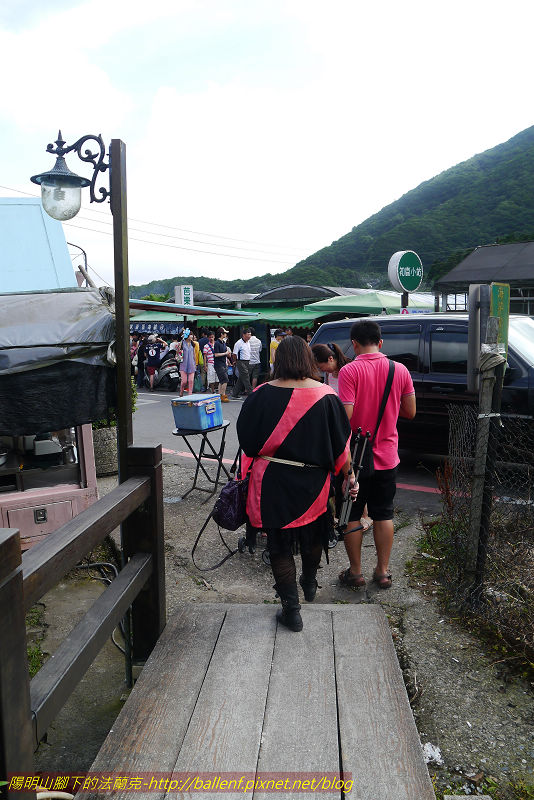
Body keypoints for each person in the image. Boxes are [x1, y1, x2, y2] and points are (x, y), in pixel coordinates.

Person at [236, 336, 356, 633]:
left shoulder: (260, 394)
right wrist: (350, 476)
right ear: (307, 359)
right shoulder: (327, 395)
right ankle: (310, 581)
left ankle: (291, 611)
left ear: (278, 361)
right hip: (314, 482)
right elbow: (341, 446)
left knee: (278, 545)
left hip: (271, 481)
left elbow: (247, 443)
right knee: (313, 535)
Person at [337, 320, 416, 590]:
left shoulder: (349, 371)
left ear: (354, 344)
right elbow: (410, 411)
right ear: (380, 342)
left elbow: (346, 416)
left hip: (355, 458)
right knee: (383, 514)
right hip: (387, 456)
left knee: (352, 514)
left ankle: (355, 573)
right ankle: (382, 572)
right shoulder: (399, 370)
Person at [312, 341, 373, 535]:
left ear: (331, 358)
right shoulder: (329, 375)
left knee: (353, 471)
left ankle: (365, 515)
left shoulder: (349, 371)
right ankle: (337, 514)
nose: (321, 371)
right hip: (335, 427)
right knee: (338, 473)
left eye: (322, 366)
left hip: (350, 427)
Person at [231, 328, 253, 398]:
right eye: (248, 335)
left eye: (250, 335)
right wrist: (235, 361)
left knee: (241, 378)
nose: (249, 336)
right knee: (246, 377)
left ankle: (235, 393)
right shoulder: (238, 343)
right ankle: (251, 393)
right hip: (241, 361)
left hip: (247, 361)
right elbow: (234, 354)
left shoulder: (248, 342)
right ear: (243, 335)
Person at [213, 327, 231, 402]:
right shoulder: (217, 343)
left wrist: (227, 355)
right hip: (219, 364)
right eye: (225, 333)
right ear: (221, 334)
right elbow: (216, 354)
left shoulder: (223, 342)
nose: (226, 334)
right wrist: (225, 353)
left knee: (221, 381)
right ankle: (223, 395)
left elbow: (225, 353)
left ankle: (219, 395)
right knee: (225, 380)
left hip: (223, 363)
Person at [178, 328, 196, 396]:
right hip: (183, 364)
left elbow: (194, 354)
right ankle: (181, 391)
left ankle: (190, 394)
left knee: (191, 380)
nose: (192, 336)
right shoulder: (182, 343)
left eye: (192, 335)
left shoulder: (193, 344)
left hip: (191, 364)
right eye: (190, 335)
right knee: (184, 381)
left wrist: (195, 363)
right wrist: (181, 341)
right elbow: (178, 352)